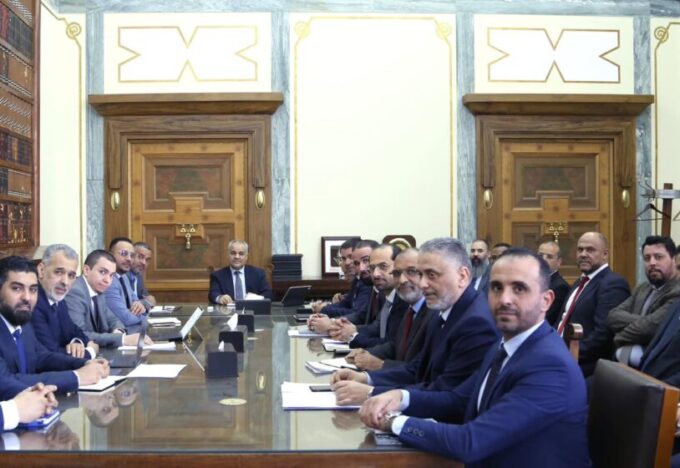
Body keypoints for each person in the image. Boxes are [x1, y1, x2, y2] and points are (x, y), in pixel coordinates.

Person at [359, 249, 590, 467]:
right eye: (496, 287)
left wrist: (395, 422)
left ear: (546, 301)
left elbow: (470, 442)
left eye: (519, 289)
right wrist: (400, 398)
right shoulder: (505, 345)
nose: (505, 299)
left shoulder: (550, 366)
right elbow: (459, 400)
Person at [331, 237, 499, 406]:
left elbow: (451, 397)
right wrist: (366, 378)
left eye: (431, 275)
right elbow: (418, 369)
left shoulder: (476, 323)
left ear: (462, 276)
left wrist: (372, 393)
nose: (423, 283)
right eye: (421, 274)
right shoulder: (441, 312)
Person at [0, 256, 109, 393]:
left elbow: (42, 357)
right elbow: (5, 381)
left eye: (33, 290)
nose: (27, 297)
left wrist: (84, 363)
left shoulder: (23, 323)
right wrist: (77, 377)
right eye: (17, 288)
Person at [555, 232, 630, 376]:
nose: (583, 254)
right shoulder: (581, 281)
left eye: (590, 250)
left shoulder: (613, 283)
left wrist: (568, 355)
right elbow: (561, 321)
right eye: (580, 249)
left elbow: (603, 335)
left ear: (605, 254)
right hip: (560, 357)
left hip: (584, 367)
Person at [345, 248, 431, 371]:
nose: (402, 280)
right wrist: (366, 353)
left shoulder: (433, 312)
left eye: (411, 271)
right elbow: (396, 345)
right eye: (397, 273)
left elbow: (423, 370)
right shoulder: (410, 308)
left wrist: (380, 365)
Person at [608, 236, 680, 366]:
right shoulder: (643, 288)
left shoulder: (677, 291)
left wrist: (619, 336)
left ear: (674, 259)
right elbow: (613, 316)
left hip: (656, 367)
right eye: (647, 258)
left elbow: (651, 328)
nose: (652, 263)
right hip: (625, 365)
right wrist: (645, 321)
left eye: (658, 257)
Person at [65, 250, 152, 348]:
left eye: (111, 275)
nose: (107, 280)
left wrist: (118, 331)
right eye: (102, 272)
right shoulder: (75, 291)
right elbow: (80, 334)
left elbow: (113, 319)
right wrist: (123, 339)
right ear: (86, 270)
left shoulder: (98, 289)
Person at [31, 244, 98, 359]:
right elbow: (51, 354)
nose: (65, 282)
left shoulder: (58, 299)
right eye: (59, 272)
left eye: (71, 275)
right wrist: (91, 351)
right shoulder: (33, 303)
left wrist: (77, 342)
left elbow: (74, 330)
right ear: (41, 270)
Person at [344, 244, 408, 350]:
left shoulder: (405, 299)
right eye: (372, 268)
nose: (375, 274)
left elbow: (392, 345)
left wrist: (353, 336)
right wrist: (349, 329)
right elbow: (377, 328)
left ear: (398, 267)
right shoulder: (383, 294)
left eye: (383, 266)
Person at [308, 239, 380, 334]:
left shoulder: (373, 286)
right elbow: (359, 315)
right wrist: (327, 320)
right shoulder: (364, 282)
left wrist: (330, 322)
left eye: (366, 260)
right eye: (357, 263)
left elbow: (374, 328)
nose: (347, 263)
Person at [310, 238, 371, 318]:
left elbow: (356, 314)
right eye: (344, 258)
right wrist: (324, 307)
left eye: (350, 257)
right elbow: (345, 304)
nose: (347, 263)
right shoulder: (357, 280)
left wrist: (324, 309)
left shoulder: (367, 281)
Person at [208, 239, 272, 304]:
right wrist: (220, 298)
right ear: (228, 255)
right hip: (228, 310)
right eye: (233, 253)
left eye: (241, 254)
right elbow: (213, 294)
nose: (237, 257)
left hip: (252, 309)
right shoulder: (217, 275)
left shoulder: (258, 274)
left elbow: (268, 294)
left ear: (246, 256)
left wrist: (256, 298)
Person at [105, 237, 147, 330]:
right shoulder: (108, 281)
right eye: (124, 254)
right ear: (110, 255)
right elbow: (126, 319)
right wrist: (144, 317)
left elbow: (138, 303)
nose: (129, 259)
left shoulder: (124, 277)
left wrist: (141, 307)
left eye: (132, 255)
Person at [538, 240, 570, 327]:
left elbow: (547, 318)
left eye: (549, 257)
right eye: (540, 255)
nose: (543, 259)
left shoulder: (560, 287)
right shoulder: (533, 281)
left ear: (559, 262)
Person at [130, 241, 156, 310]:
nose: (144, 263)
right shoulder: (122, 276)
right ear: (131, 256)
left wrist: (143, 303)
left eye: (147, 260)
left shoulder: (138, 276)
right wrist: (144, 303)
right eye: (140, 257)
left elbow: (150, 299)